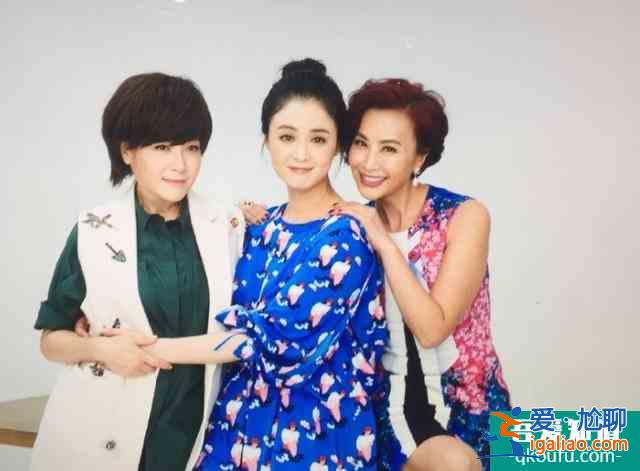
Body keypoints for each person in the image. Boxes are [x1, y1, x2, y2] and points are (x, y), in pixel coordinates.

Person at [105, 58, 391, 470]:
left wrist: (144, 348)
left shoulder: (347, 235)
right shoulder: (256, 227)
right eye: (286, 136)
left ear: (338, 146)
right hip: (232, 436)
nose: (300, 154)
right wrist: (101, 318)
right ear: (266, 141)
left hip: (317, 444)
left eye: (318, 139)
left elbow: (266, 340)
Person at [32, 72, 244, 471]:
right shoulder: (93, 229)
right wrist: (100, 349)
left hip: (194, 437)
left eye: (191, 147)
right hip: (98, 432)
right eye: (162, 147)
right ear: (127, 151)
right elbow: (51, 339)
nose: (180, 164)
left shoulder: (230, 226)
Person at [330, 78, 511, 471]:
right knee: (454, 465)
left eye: (389, 149)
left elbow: (433, 328)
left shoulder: (464, 216)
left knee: (613, 442)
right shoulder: (352, 227)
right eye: (360, 143)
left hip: (476, 408)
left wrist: (382, 239)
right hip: (396, 414)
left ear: (419, 158)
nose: (368, 162)